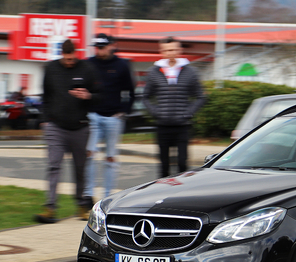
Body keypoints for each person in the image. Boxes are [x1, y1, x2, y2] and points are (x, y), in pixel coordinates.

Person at [35, 39, 100, 224]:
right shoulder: (51, 69)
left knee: (80, 169)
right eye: (67, 58)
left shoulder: (87, 69)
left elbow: (99, 96)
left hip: (80, 127)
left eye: (73, 58)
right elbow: (45, 96)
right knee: (54, 166)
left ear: (76, 53)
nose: (70, 61)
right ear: (62, 54)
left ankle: (81, 206)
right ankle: (50, 207)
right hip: (55, 126)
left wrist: (88, 96)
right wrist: (45, 121)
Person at [143, 36, 206, 178]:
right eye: (167, 50)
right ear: (161, 52)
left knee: (182, 164)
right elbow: (145, 96)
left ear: (179, 50)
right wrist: (155, 112)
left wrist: (189, 112)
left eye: (173, 50)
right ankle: (161, 195)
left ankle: (181, 194)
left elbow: (201, 97)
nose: (170, 53)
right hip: (162, 125)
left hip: (182, 126)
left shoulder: (191, 72)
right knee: (163, 165)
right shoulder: (153, 72)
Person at [84, 33, 135, 206]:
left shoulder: (121, 65)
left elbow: (130, 91)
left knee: (110, 158)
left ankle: (107, 197)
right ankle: (88, 194)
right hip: (93, 115)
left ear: (111, 46)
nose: (99, 51)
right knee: (89, 154)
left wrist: (124, 111)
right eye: (97, 47)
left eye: (102, 47)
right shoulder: (89, 64)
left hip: (113, 117)